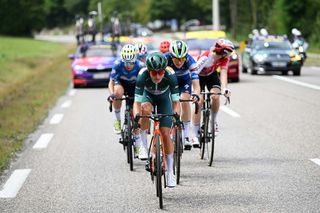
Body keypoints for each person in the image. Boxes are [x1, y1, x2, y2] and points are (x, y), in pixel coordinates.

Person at [133, 52, 180, 187]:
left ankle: (170, 172)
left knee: (165, 134)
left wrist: (176, 118)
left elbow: (176, 104)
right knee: (145, 110)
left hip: (165, 99)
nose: (158, 76)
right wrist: (137, 119)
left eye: (160, 72)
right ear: (149, 71)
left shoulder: (170, 75)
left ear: (164, 70)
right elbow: (136, 104)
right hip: (148, 97)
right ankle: (142, 144)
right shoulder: (142, 75)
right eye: (154, 73)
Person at [190, 39, 234, 144]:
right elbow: (194, 73)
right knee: (199, 101)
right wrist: (194, 91)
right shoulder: (206, 57)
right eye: (228, 52)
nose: (228, 55)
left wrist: (224, 88)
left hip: (211, 76)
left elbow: (223, 73)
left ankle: (214, 122)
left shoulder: (224, 59)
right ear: (222, 51)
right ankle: (194, 133)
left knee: (215, 96)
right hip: (199, 77)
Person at [165, 40, 200, 150]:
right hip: (170, 82)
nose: (179, 62)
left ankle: (186, 136)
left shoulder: (190, 61)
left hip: (184, 82)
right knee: (170, 103)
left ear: (186, 57)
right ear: (171, 56)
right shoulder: (165, 59)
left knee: (184, 101)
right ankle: (171, 129)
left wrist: (196, 94)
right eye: (176, 59)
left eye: (182, 59)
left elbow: (196, 83)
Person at [108, 44, 144, 140]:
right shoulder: (117, 64)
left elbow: (145, 84)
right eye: (126, 63)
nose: (128, 65)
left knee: (135, 115)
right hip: (121, 84)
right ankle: (117, 120)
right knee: (117, 93)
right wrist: (112, 94)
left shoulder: (140, 65)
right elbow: (111, 82)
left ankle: (137, 145)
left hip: (134, 87)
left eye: (131, 63)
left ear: (135, 59)